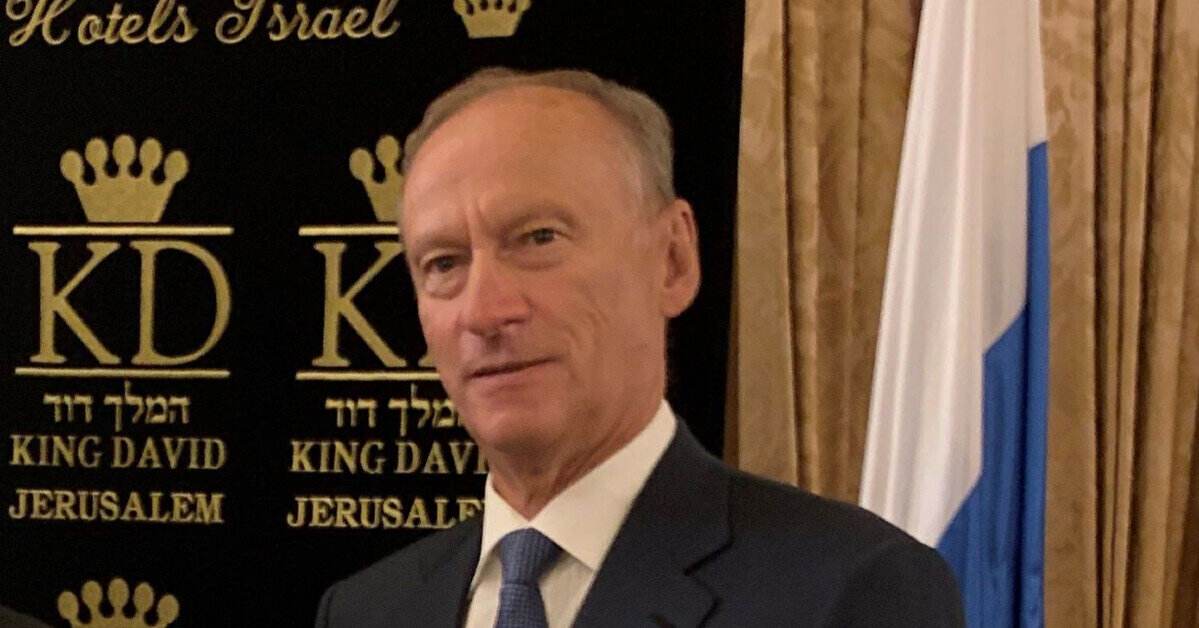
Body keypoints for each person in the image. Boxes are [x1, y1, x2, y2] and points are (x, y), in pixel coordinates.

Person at [315, 67, 963, 627]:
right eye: (443, 263)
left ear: (673, 259)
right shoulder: (366, 610)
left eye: (538, 238)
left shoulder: (850, 590)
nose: (483, 311)